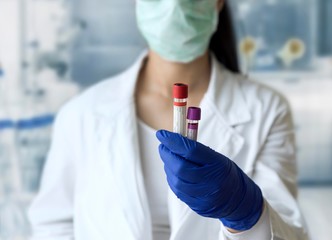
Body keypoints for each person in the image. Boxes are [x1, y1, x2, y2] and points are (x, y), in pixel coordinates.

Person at [28, 0, 309, 239]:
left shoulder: (266, 109)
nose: (175, 5)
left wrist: (245, 213)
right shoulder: (81, 114)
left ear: (219, 2)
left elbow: (288, 233)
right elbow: (53, 225)